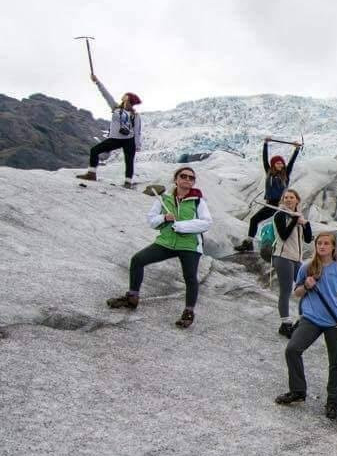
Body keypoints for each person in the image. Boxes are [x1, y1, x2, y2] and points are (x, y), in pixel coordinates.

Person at [106, 167, 212, 328]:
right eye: (183, 176)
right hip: (166, 242)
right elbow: (151, 220)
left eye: (191, 178)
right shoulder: (164, 198)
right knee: (137, 260)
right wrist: (164, 217)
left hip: (189, 245)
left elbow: (206, 223)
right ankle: (132, 297)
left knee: (190, 278)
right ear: (175, 179)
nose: (187, 180)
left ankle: (188, 312)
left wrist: (182, 226)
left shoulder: (198, 201)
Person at [274, 233, 337, 420]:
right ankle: (298, 391)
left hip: (333, 321)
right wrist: (307, 286)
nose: (322, 246)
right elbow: (297, 293)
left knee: (336, 362)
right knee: (292, 349)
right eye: (319, 243)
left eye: (327, 243)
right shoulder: (307, 267)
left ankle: (332, 402)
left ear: (333, 247)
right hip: (311, 318)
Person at [234, 137, 302, 252]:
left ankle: (251, 244)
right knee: (254, 220)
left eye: (281, 163)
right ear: (273, 165)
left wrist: (296, 150)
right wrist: (265, 144)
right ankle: (249, 243)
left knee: (256, 220)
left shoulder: (286, 174)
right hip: (269, 204)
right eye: (278, 163)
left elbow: (291, 163)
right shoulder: (269, 173)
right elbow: (265, 160)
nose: (280, 165)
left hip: (279, 205)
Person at [76, 74, 142, 188]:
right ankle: (91, 174)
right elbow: (106, 95)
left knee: (129, 161)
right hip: (115, 139)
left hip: (129, 140)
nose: (123, 96)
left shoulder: (135, 115)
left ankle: (127, 183)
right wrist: (97, 82)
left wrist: (137, 145)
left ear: (128, 99)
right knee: (95, 150)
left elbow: (137, 131)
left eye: (125, 96)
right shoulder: (116, 108)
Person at [272, 189, 313, 338]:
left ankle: (301, 321)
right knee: (286, 290)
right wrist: (295, 220)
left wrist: (306, 223)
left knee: (307, 288)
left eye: (291, 197)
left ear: (297, 200)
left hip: (297, 259)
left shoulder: (299, 217)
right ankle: (285, 324)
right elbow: (283, 235)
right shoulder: (280, 215)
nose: (288, 200)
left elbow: (308, 239)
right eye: (286, 198)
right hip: (283, 257)